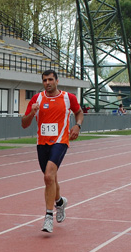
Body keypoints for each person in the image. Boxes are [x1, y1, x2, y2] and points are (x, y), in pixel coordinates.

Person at [21, 69, 84, 233]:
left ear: (57, 81)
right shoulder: (37, 99)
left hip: (60, 141)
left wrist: (77, 125)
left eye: (50, 80)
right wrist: (32, 112)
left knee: (48, 176)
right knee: (51, 179)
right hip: (42, 143)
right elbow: (24, 123)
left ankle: (48, 217)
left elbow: (79, 113)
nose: (47, 83)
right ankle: (60, 202)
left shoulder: (68, 98)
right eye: (44, 80)